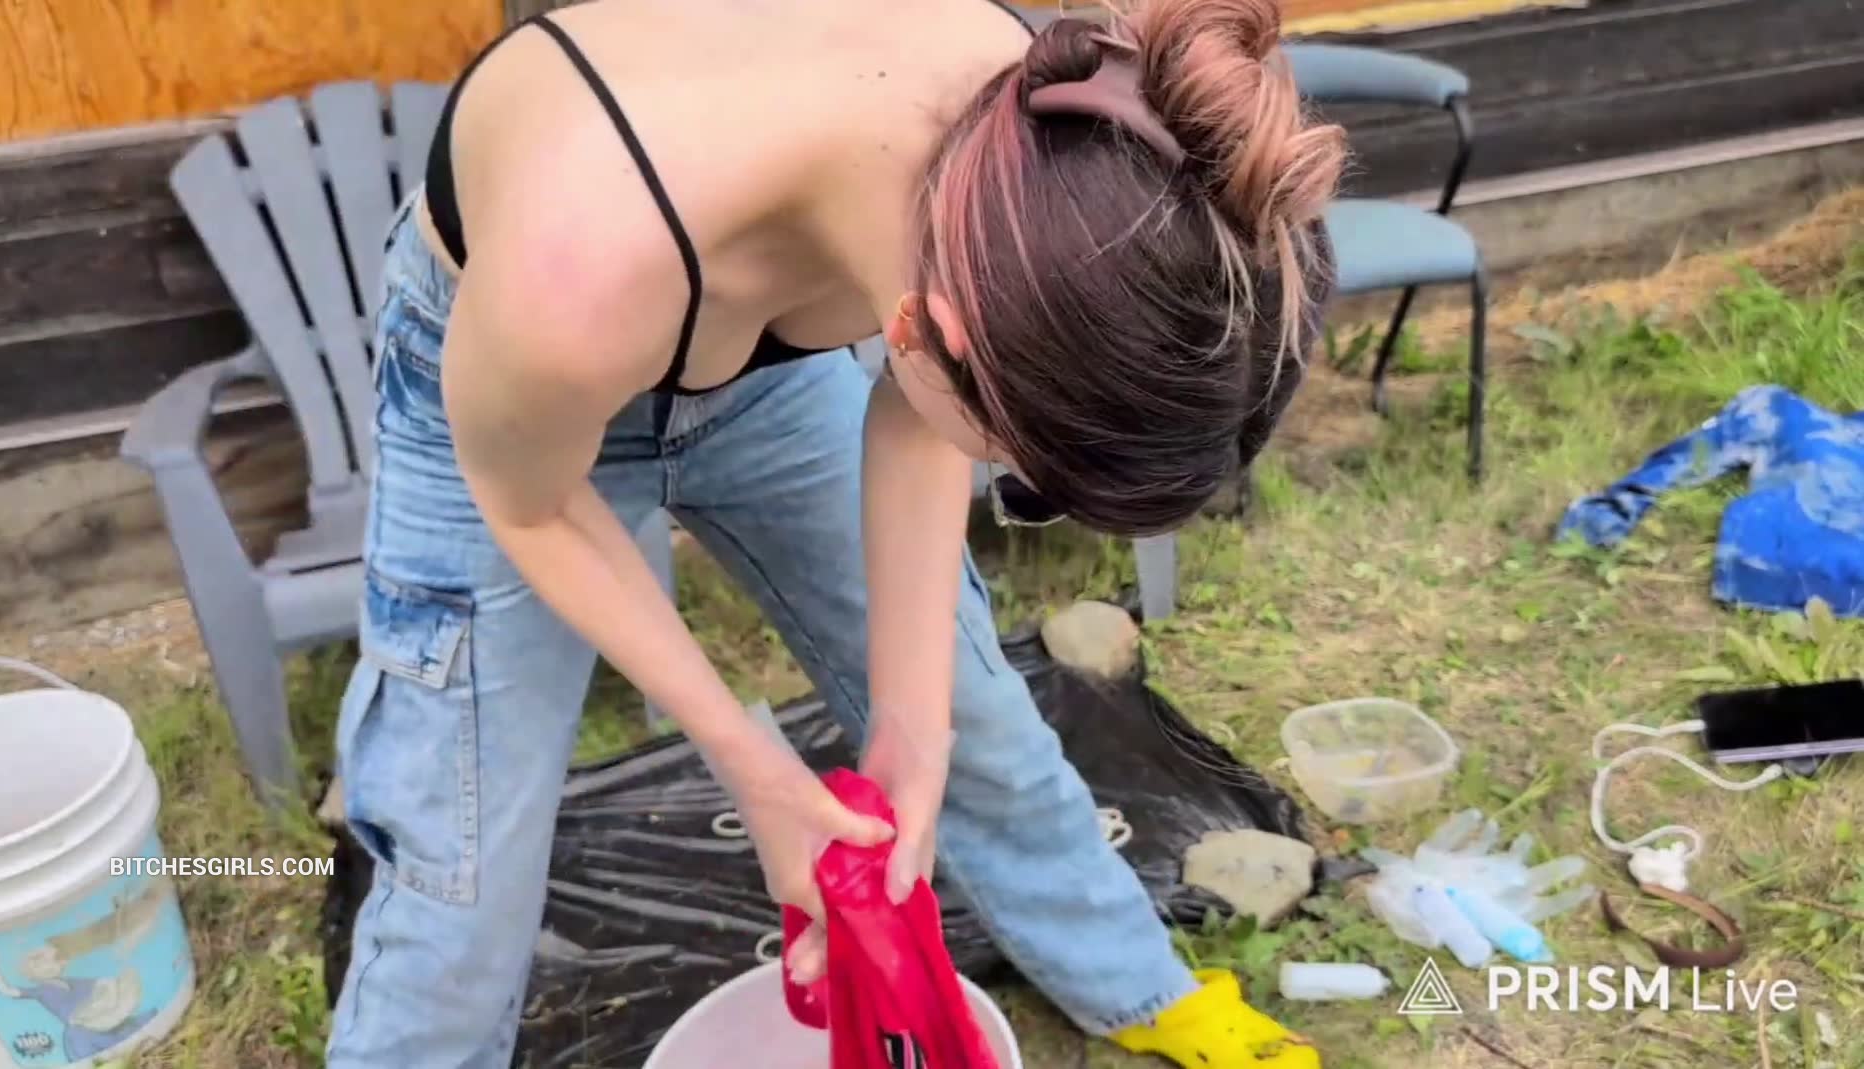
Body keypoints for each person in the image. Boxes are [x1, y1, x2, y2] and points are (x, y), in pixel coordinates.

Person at [327, 0, 1342, 1066]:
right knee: (461, 862)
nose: (1008, 479)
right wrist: (754, 767)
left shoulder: (1048, 159)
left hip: (755, 359)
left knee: (974, 714)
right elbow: (531, 507)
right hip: (514, 382)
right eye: (1019, 472)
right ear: (931, 330)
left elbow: (926, 408)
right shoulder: (574, 267)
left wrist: (912, 722)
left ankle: (1137, 982)